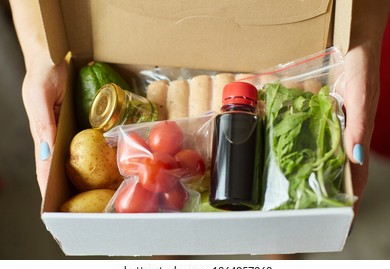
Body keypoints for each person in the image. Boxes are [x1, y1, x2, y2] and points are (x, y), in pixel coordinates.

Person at [9, 0, 390, 216]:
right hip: (121, 19)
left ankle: (279, 253)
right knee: (156, 235)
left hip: (296, 31)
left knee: (280, 222)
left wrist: (361, 38)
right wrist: (42, 48)